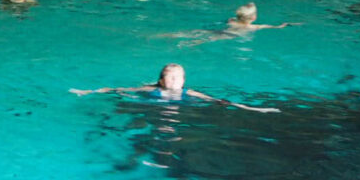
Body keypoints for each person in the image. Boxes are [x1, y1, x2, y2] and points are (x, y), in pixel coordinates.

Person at [70, 63, 278, 113]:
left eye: (178, 77)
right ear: (160, 81)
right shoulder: (150, 90)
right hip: (153, 105)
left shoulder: (189, 93)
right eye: (170, 77)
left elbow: (217, 100)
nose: (175, 81)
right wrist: (88, 92)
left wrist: (253, 108)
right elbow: (116, 89)